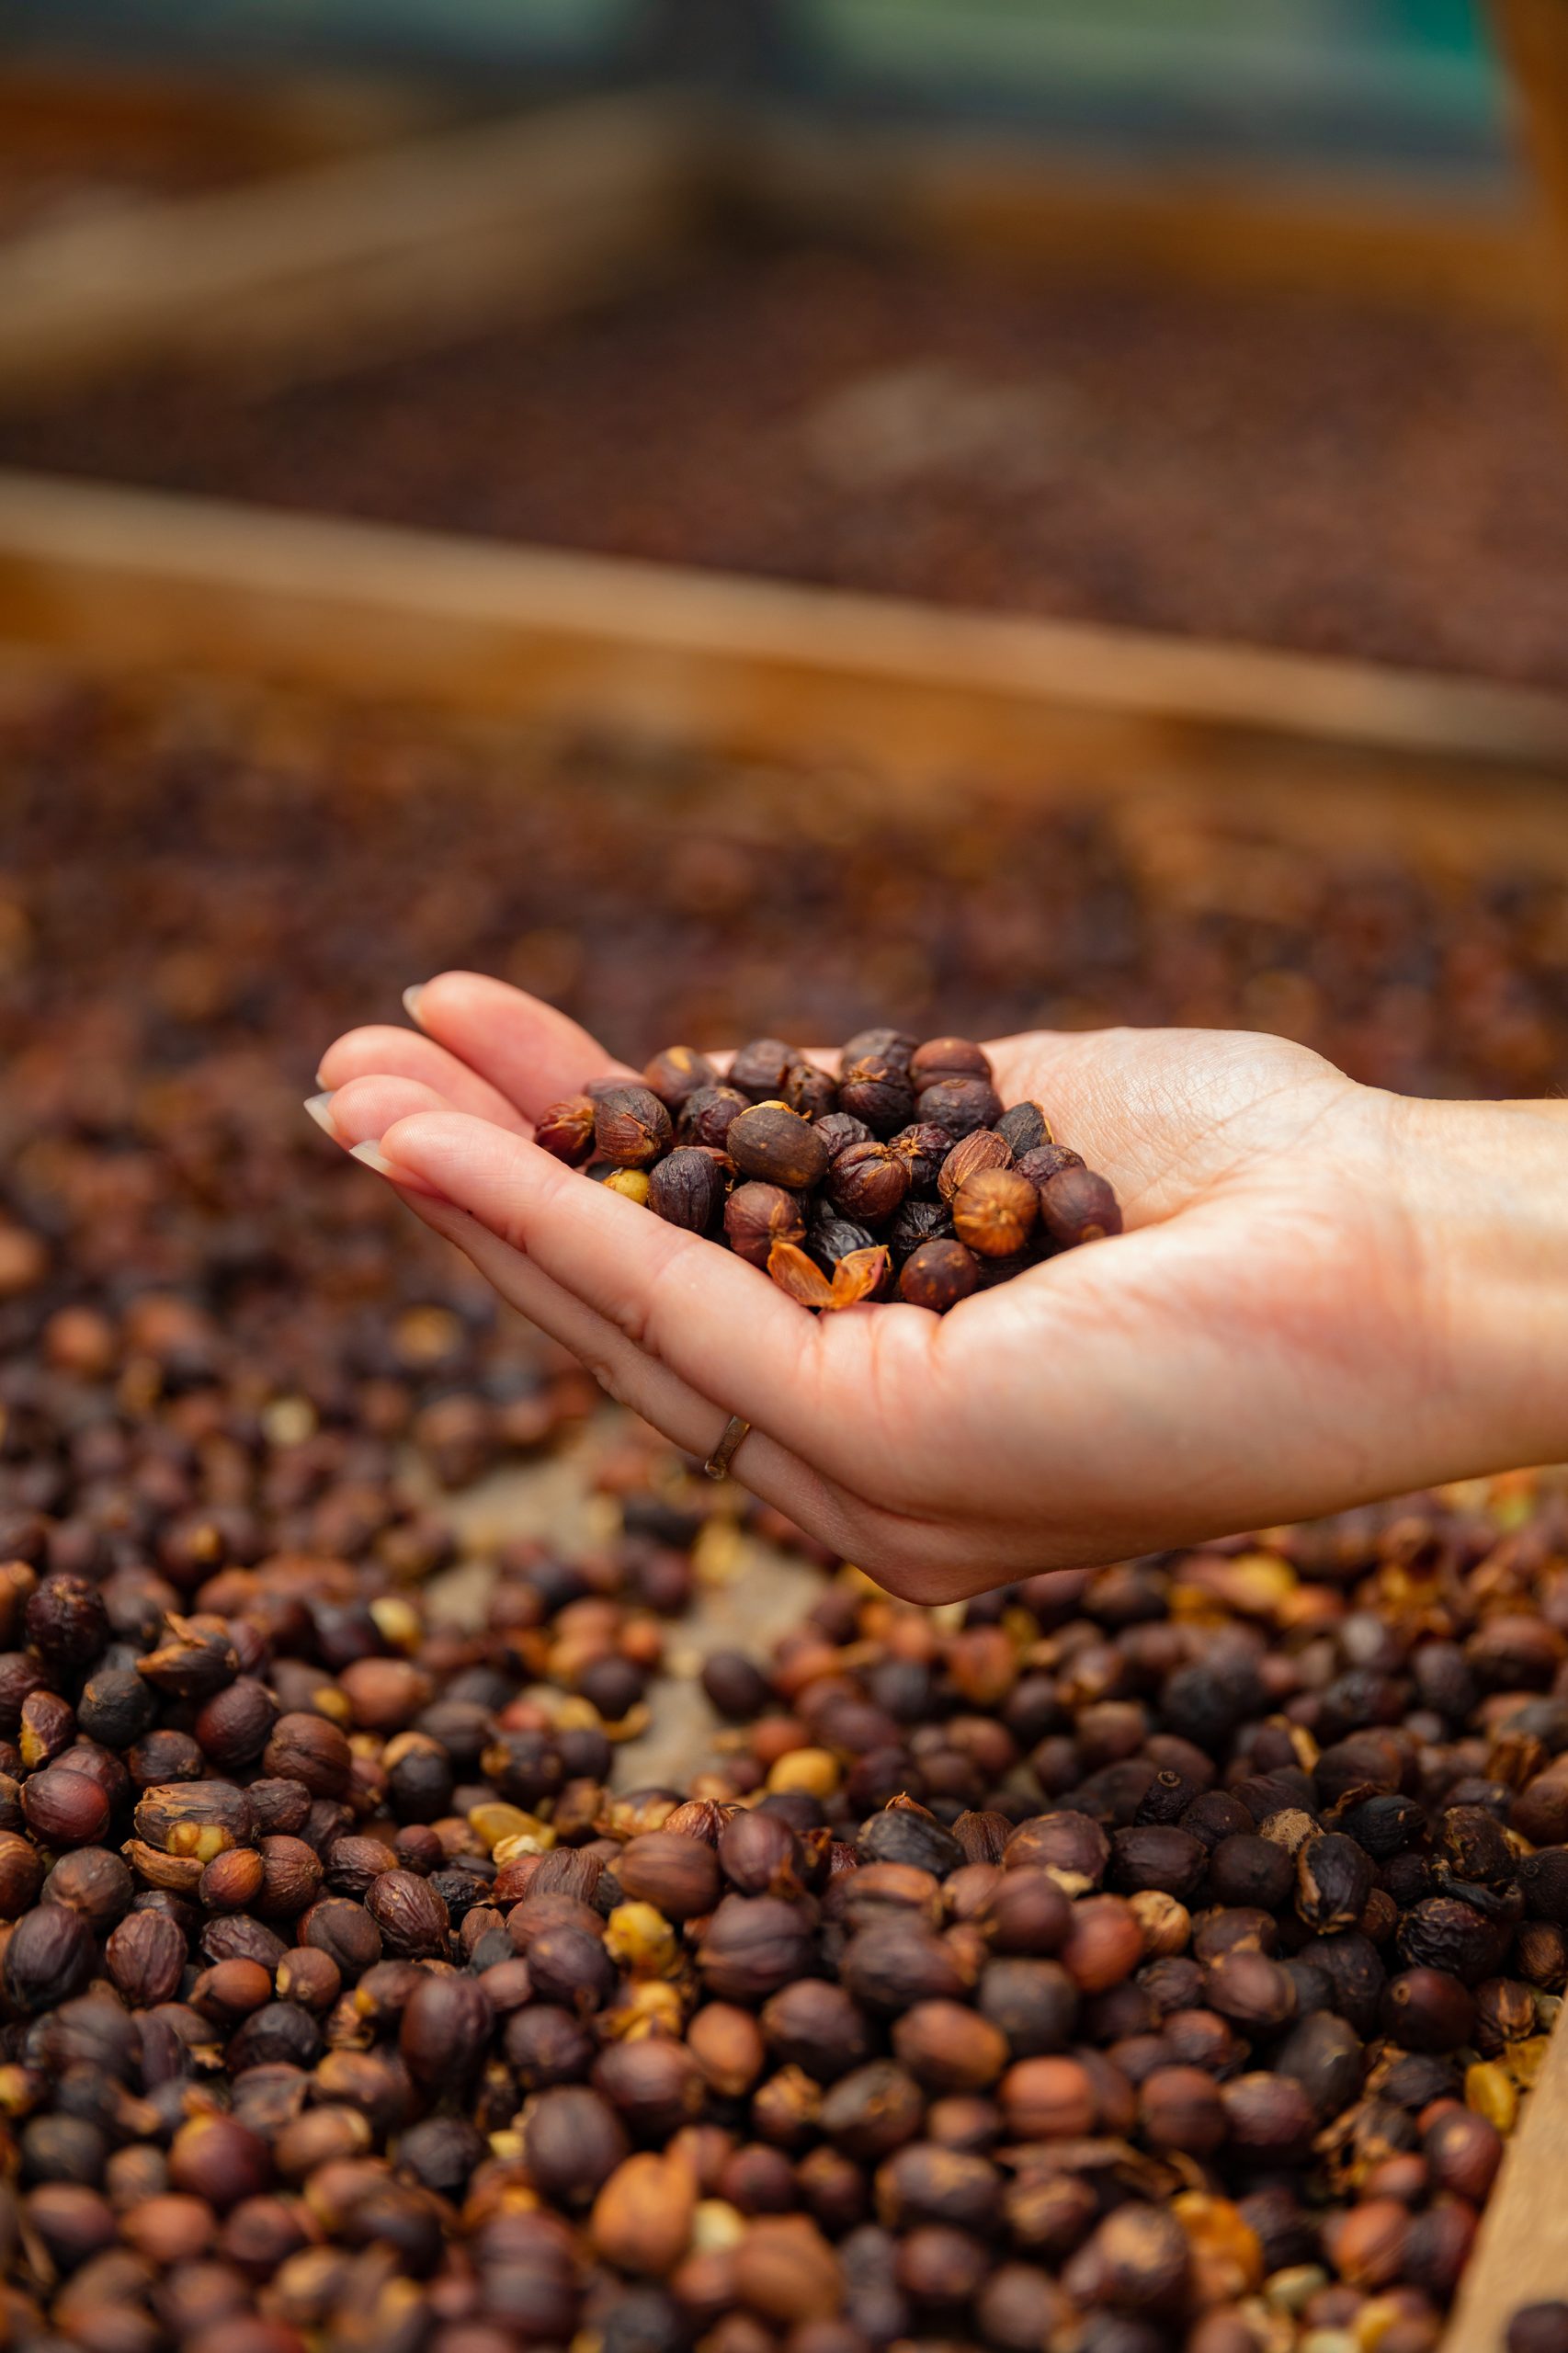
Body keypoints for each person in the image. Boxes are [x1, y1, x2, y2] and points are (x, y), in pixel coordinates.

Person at [310, 971, 1568, 1602]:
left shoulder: (931, 1174)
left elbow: (888, 1156)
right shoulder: (834, 1152)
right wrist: (1407, 1233)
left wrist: (1397, 1234)